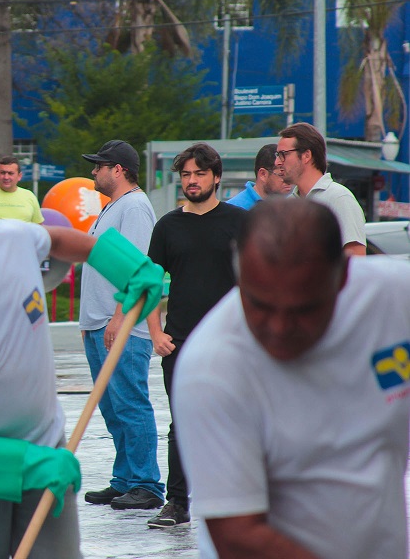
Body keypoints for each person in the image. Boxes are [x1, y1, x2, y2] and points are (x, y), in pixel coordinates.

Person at [0, 189, 163, 558]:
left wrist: (126, 265)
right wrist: (22, 462)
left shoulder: (13, 240)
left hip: (43, 452)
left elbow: (59, 240)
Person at [174, 198, 410, 558]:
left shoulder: (394, 300)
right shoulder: (212, 368)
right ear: (239, 272)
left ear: (344, 274)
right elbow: (237, 536)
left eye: (304, 309)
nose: (279, 329)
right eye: (260, 305)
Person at [145, 142, 246, 528]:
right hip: (181, 342)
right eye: (185, 175)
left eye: (199, 174)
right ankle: (177, 503)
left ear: (216, 177)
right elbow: (150, 283)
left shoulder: (240, 222)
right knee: (182, 423)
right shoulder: (167, 226)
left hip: (232, 342)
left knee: (236, 420)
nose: (191, 181)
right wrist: (156, 332)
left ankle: (235, 501)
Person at [77, 140, 163, 510]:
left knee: (131, 404)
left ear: (120, 170)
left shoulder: (136, 208)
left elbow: (137, 270)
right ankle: (125, 478)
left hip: (123, 326)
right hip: (99, 324)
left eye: (100, 165)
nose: (94, 171)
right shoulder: (112, 207)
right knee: (113, 408)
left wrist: (118, 319)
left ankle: (146, 482)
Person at [274, 122, 366, 256]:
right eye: (277, 155)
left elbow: (356, 259)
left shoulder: (339, 199)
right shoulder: (288, 204)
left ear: (306, 155)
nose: (277, 162)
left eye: (283, 154)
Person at [0, 156, 44, 225]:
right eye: (3, 173)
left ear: (19, 176)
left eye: (10, 173)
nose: (6, 177)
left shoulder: (30, 196)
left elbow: (38, 228)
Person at [226, 144, 292, 209]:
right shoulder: (234, 209)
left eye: (291, 174)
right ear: (263, 174)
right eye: (281, 175)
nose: (289, 181)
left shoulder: (290, 207)